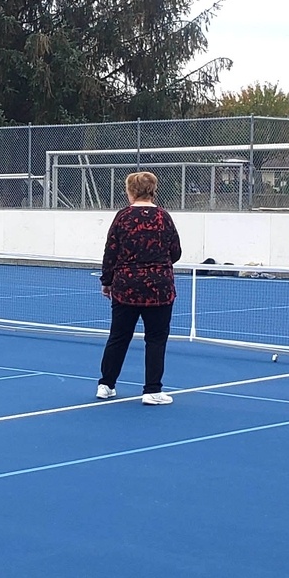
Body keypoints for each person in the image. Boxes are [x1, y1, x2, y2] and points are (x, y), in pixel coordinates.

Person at [97, 171, 182, 406]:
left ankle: (106, 384)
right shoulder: (163, 217)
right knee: (155, 339)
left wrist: (107, 281)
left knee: (118, 337)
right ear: (153, 190)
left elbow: (110, 252)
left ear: (131, 191)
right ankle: (152, 390)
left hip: (126, 287)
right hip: (159, 288)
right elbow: (175, 251)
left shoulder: (122, 217)